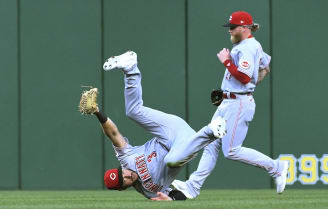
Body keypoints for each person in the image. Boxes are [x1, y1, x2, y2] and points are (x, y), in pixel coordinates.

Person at [172, 11, 288, 198]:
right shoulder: (251, 45)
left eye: (233, 27)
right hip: (229, 101)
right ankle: (193, 186)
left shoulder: (247, 47)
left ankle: (276, 167)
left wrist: (227, 61)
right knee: (211, 145)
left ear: (244, 28)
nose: (230, 31)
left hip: (238, 102)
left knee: (232, 150)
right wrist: (255, 82)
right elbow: (265, 64)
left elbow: (243, 77)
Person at [81, 51, 227, 201]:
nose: (126, 175)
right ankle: (211, 130)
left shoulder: (126, 160)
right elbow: (175, 195)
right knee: (172, 160)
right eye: (122, 180)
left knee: (133, 112)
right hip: (184, 146)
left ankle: (130, 69)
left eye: (121, 172)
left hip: (169, 130)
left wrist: (97, 113)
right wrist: (171, 200)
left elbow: (113, 134)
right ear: (122, 188)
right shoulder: (148, 192)